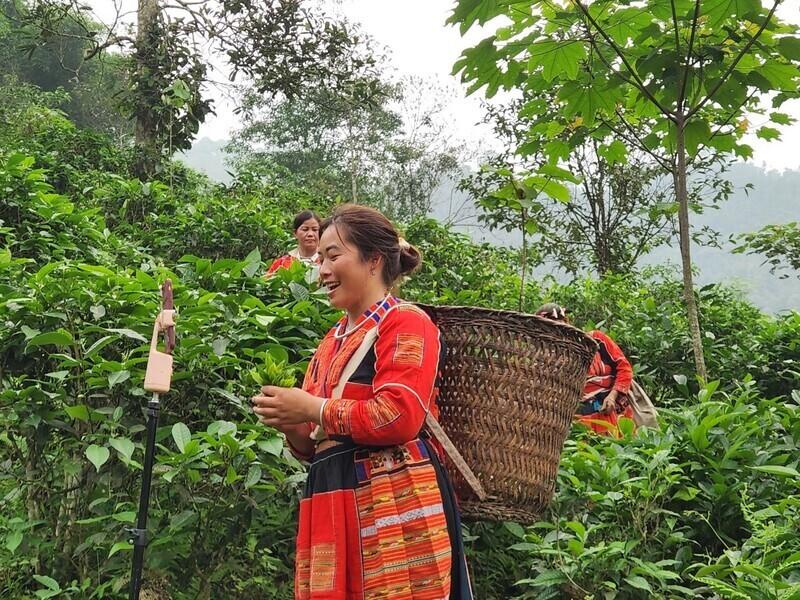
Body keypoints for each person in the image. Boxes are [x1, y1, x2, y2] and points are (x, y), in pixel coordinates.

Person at [252, 204, 473, 600]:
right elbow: (312, 442)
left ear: (373, 260)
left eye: (334, 256)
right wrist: (289, 419)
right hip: (329, 491)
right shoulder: (330, 340)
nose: (322, 270)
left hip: (391, 497)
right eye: (320, 258)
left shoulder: (405, 321)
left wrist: (313, 408)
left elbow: (400, 416)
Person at [536, 303, 635, 437]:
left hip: (612, 410)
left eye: (558, 326)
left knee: (619, 451)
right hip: (580, 420)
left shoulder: (596, 340)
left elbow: (624, 368)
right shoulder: (548, 358)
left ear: (565, 322)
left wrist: (612, 396)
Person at [265, 210, 321, 277]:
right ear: (295, 233)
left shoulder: (328, 262)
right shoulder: (281, 264)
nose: (310, 234)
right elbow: (265, 283)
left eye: (315, 229)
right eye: (305, 229)